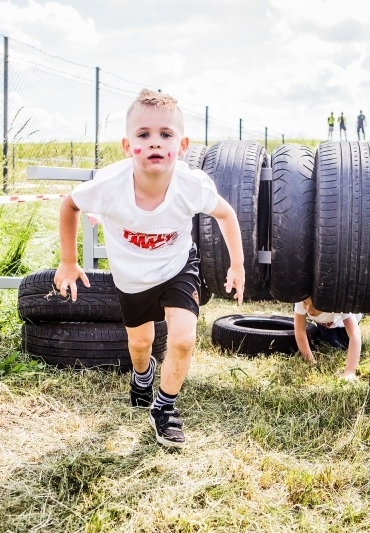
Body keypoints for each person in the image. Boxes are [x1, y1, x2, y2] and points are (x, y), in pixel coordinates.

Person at [54, 88, 246, 448]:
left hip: (178, 267)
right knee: (140, 344)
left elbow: (226, 214)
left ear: (183, 144)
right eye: (144, 135)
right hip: (131, 279)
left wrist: (237, 265)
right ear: (127, 146)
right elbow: (69, 206)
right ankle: (142, 377)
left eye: (165, 134)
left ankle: (165, 407)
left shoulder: (192, 186)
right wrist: (68, 260)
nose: (155, 142)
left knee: (185, 340)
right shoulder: (110, 186)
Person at [292, 297, 362, 381]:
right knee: (324, 340)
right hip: (325, 321)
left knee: (338, 346)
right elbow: (300, 330)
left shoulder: (341, 301)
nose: (309, 310)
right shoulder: (301, 298)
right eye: (305, 303)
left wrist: (349, 371)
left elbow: (354, 334)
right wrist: (310, 361)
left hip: (342, 322)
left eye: (314, 305)